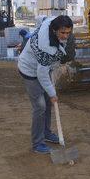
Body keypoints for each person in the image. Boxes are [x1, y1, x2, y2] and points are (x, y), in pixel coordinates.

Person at [18, 15, 73, 154]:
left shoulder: (50, 22)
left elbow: (45, 18)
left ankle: (46, 133)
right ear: (55, 30)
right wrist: (53, 93)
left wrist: (50, 92)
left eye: (68, 32)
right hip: (29, 70)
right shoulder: (47, 48)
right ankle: (37, 143)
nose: (66, 36)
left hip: (43, 67)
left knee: (48, 102)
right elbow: (41, 74)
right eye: (63, 33)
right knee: (40, 106)